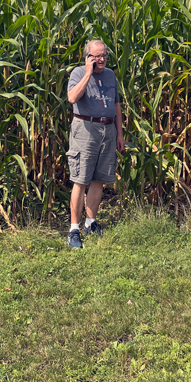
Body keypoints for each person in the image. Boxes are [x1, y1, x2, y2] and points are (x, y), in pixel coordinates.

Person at [65, 39, 125, 248]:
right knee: (81, 179)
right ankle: (74, 230)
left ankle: (91, 223)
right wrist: (88, 73)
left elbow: (116, 105)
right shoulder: (78, 73)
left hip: (107, 130)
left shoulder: (110, 75)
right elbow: (72, 98)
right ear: (87, 57)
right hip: (85, 129)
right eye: (97, 56)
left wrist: (119, 134)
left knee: (100, 178)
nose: (101, 59)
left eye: (104, 55)